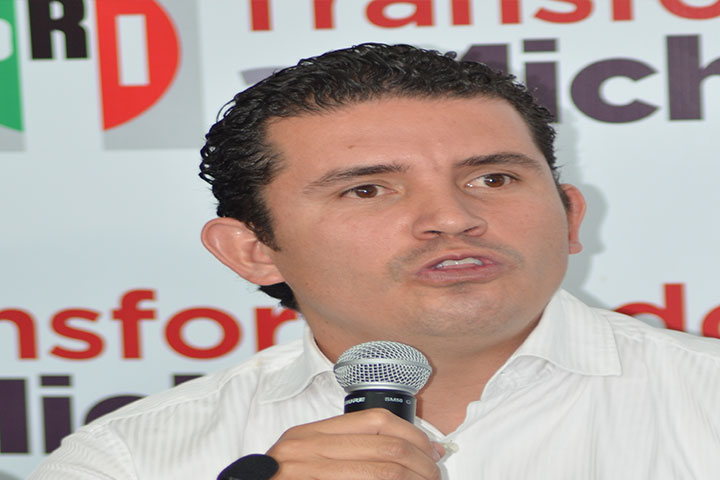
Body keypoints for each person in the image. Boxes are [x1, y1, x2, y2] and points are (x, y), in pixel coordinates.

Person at [30, 43, 720, 480]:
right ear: (253, 251)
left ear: (569, 216)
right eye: (367, 190)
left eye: (494, 178)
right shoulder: (128, 459)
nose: (452, 217)